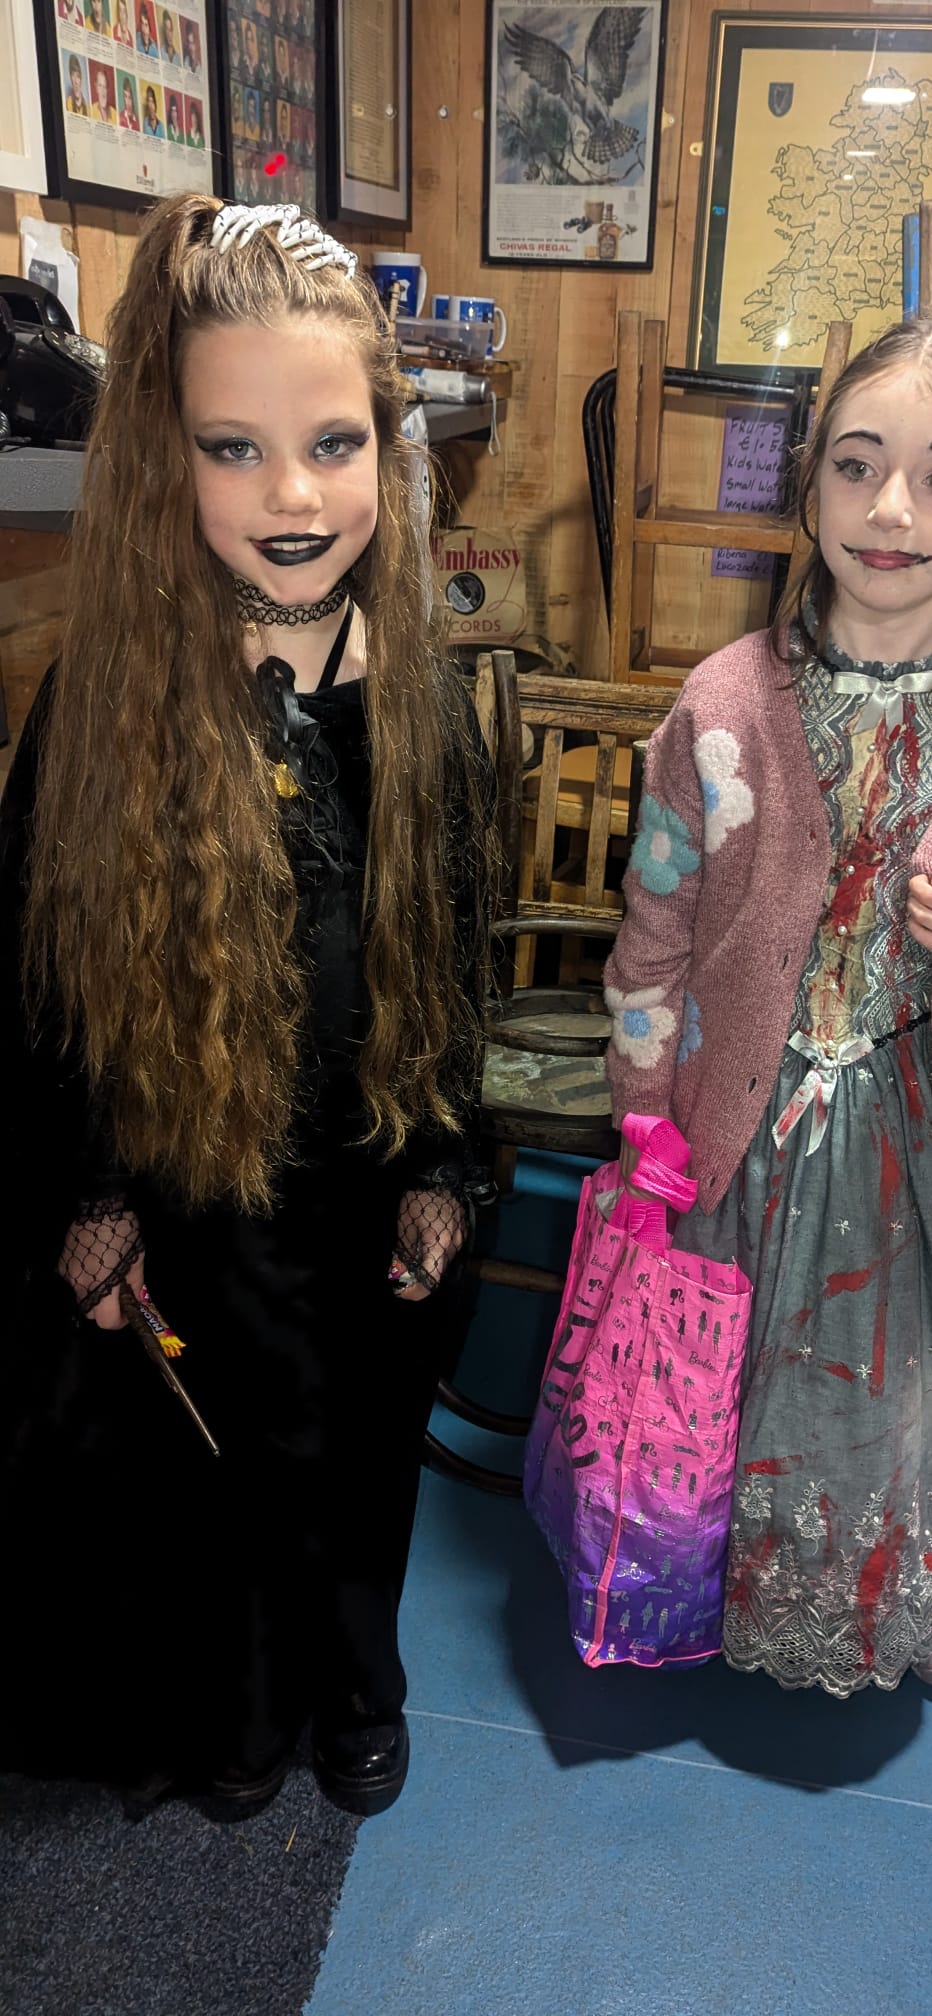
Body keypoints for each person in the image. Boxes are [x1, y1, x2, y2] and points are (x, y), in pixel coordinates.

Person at [0, 193, 491, 1821]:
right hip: (196, 1178)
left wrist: (443, 1164)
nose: (292, 496)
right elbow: (52, 975)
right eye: (234, 450)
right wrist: (94, 1195)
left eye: (331, 445)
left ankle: (359, 1681)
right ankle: (249, 1697)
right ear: (169, 459)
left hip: (371, 1162)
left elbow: (455, 948)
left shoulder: (418, 693)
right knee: (224, 1447)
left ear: (383, 452)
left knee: (364, 1442)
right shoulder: (110, 698)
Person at [604, 315, 932, 1698]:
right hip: (735, 1120)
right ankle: (716, 1569)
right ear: (808, 480)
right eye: (857, 467)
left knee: (881, 1376)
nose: (891, 511)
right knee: (724, 1359)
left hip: (907, 1136)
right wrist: (643, 1115)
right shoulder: (720, 706)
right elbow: (652, 929)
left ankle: (880, 1568)